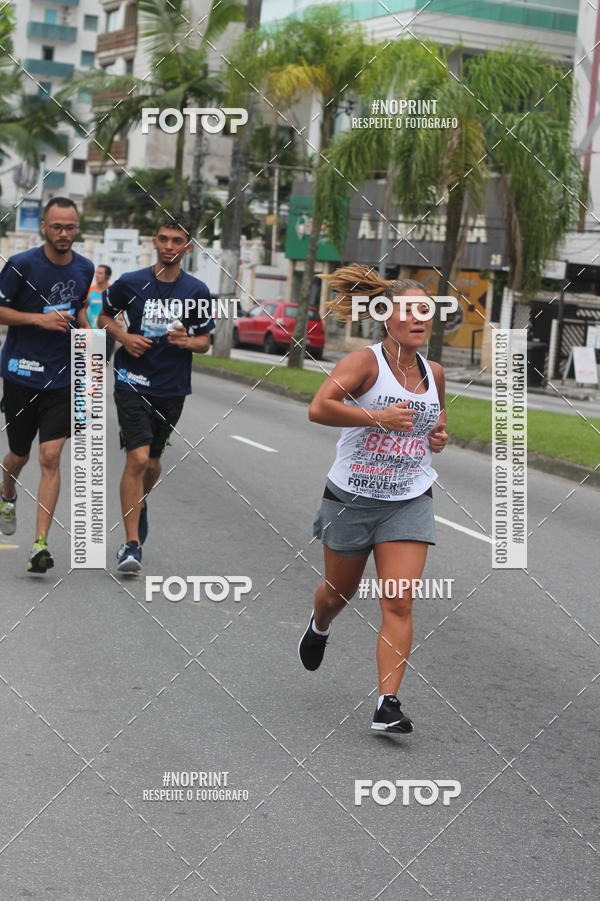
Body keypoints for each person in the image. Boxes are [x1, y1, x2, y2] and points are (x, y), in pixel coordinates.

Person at [298, 265, 449, 734]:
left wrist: (439, 438)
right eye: (410, 311)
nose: (420, 318)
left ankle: (388, 703)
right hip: (352, 498)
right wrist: (378, 416)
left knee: (399, 601)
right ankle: (320, 622)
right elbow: (319, 408)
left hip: (409, 497)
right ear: (387, 317)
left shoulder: (434, 372)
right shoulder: (364, 363)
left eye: (426, 310)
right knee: (339, 592)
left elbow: (434, 428)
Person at [98, 217, 214, 574]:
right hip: (131, 380)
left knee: (151, 462)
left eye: (176, 240)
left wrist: (186, 341)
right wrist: (125, 337)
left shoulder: (197, 291)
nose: (168, 245)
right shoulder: (131, 282)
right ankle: (132, 545)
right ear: (154, 242)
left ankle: (140, 501)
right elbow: (104, 317)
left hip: (172, 387)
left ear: (187, 248)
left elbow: (205, 342)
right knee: (136, 459)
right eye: (163, 239)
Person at [0, 197, 93, 572]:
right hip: (21, 372)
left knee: (51, 457)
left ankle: (40, 544)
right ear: (44, 227)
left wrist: (89, 332)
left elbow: (81, 307)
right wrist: (38, 320)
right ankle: (7, 492)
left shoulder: (85, 268)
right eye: (57, 227)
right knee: (19, 454)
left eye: (70, 227)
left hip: (63, 378)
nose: (64, 234)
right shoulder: (21, 265)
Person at [85, 264, 119, 361]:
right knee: (87, 363)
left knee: (101, 365)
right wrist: (85, 325)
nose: (96, 275)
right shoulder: (91, 290)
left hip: (107, 332)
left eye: (100, 273)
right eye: (96, 272)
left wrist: (120, 318)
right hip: (91, 331)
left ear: (107, 276)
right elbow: (83, 308)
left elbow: (121, 308)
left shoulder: (113, 291)